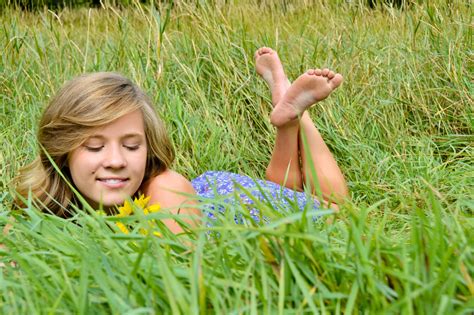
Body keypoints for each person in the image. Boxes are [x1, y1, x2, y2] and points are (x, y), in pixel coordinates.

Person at [14, 47, 348, 234]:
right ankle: (285, 116)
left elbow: (179, 273)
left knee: (333, 208)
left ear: (149, 149)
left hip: (225, 200)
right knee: (284, 190)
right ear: (62, 149)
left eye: (131, 146)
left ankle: (297, 115)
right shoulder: (46, 199)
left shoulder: (163, 189)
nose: (115, 160)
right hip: (212, 196)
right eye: (95, 146)